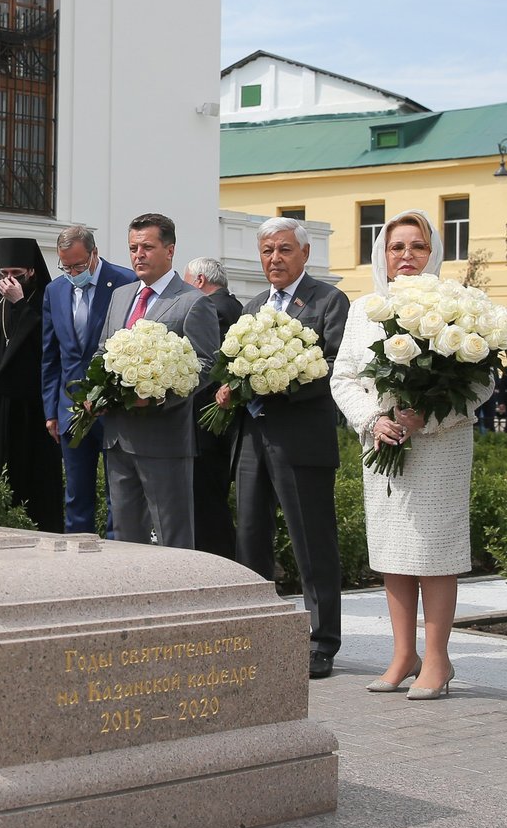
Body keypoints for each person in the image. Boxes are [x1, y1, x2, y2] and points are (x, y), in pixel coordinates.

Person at [331, 210, 489, 700]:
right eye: (397, 247)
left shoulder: (460, 307)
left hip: (440, 446)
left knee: (434, 553)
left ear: (432, 252)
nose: (406, 256)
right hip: (382, 443)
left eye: (417, 246)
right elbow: (344, 378)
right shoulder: (365, 309)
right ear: (382, 253)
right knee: (393, 552)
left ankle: (438, 659)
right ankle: (403, 654)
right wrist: (372, 420)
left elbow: (480, 384)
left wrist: (428, 415)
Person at [220, 215, 350, 679]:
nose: (274, 258)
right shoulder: (253, 304)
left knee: (312, 542)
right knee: (250, 536)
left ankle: (322, 640)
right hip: (253, 437)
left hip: (302, 439)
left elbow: (335, 365)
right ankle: (256, 627)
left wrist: (284, 382)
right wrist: (231, 385)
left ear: (304, 253)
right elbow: (235, 360)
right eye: (267, 251)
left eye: (284, 250)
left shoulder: (328, 300)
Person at [94, 214, 220, 548]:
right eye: (133, 248)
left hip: (164, 440)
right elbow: (102, 352)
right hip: (118, 438)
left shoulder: (193, 302)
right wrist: (95, 393)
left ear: (170, 250)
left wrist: (159, 397)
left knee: (172, 537)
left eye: (147, 247)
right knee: (125, 538)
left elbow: (206, 364)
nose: (138, 255)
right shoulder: (121, 296)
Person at [40, 226, 134, 536]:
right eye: (65, 266)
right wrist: (52, 411)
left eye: (78, 265)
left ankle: (115, 555)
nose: (72, 272)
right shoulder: (55, 291)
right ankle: (75, 558)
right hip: (71, 409)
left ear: (94, 253)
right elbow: (51, 355)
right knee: (76, 495)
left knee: (118, 495)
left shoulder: (126, 282)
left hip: (113, 408)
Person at [0, 238, 64, 533]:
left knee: (36, 485)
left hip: (33, 411)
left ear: (32, 272)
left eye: (16, 274)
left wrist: (21, 304)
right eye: (3, 274)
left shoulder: (45, 304)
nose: (8, 281)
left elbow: (45, 347)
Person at [183, 256, 241, 557]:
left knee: (207, 501)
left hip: (206, 422)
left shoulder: (212, 308)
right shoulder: (235, 306)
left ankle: (218, 562)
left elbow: (209, 364)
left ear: (200, 281)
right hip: (220, 422)